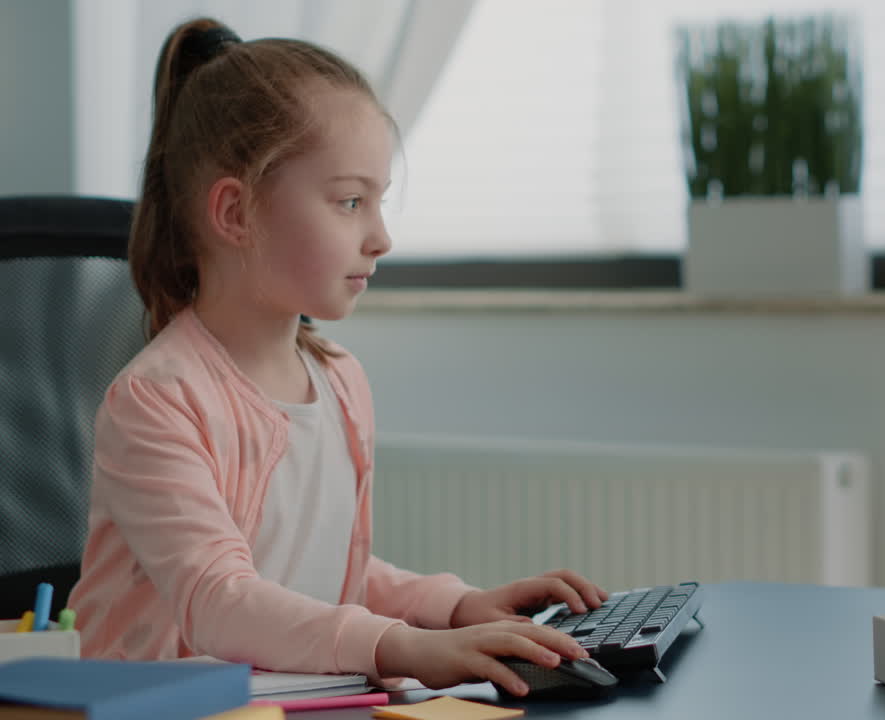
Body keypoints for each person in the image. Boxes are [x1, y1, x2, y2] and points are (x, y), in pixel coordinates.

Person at [66, 17, 608, 697]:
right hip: (154, 709)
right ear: (235, 213)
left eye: (379, 202)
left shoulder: (340, 382)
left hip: (291, 700)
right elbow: (220, 599)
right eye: (351, 201)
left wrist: (454, 606)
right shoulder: (156, 400)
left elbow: (321, 576)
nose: (380, 236)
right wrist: (401, 647)